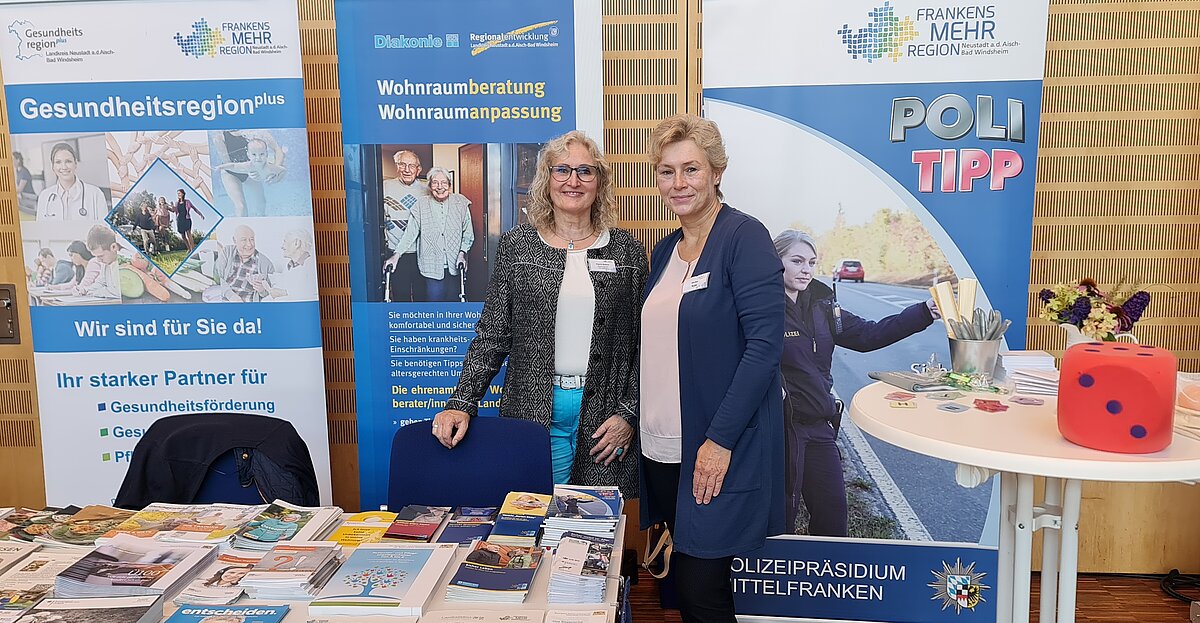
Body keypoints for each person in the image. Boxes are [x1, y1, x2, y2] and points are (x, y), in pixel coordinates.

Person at [431, 131, 647, 498]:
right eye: (562, 170)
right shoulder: (519, 246)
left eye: (585, 171)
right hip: (533, 411)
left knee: (595, 527)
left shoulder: (627, 251)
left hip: (606, 414)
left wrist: (629, 412)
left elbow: (646, 344)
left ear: (600, 181)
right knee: (536, 515)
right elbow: (493, 334)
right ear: (546, 179)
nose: (573, 181)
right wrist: (462, 401)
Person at [639, 114, 784, 623]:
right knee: (680, 588)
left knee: (703, 592)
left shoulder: (744, 237)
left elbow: (765, 347)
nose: (678, 183)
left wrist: (719, 441)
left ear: (717, 171)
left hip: (716, 444)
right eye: (666, 171)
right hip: (661, 448)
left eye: (691, 169)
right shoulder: (663, 253)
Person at [773, 229, 939, 536]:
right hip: (781, 430)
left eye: (811, 262)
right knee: (780, 519)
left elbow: (868, 335)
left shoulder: (823, 307)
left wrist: (923, 313)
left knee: (833, 517)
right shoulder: (762, 308)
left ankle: (824, 578)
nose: (806, 269)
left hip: (819, 427)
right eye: (796, 261)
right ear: (776, 261)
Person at [383, 167, 474, 301]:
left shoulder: (461, 202)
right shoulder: (421, 204)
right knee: (434, 306)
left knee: (454, 305)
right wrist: (396, 256)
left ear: (449, 185)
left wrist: (462, 253)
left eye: (444, 182)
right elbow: (410, 233)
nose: (439, 187)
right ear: (430, 186)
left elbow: (468, 233)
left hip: (456, 266)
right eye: (435, 182)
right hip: (431, 267)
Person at [381, 150, 429, 301]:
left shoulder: (427, 190)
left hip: (420, 253)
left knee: (422, 295)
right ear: (397, 166)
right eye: (402, 164)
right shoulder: (384, 187)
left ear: (418, 169)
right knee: (400, 296)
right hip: (395, 251)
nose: (407, 170)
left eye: (411, 166)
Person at [214, 130, 287, 217]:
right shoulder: (219, 135)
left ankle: (261, 224)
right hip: (231, 172)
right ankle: (241, 227)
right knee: (240, 206)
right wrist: (250, 170)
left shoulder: (256, 132)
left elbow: (278, 150)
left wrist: (274, 172)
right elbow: (229, 164)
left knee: (261, 203)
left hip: (252, 169)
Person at [35, 143, 108, 221]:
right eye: (58, 162)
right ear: (53, 166)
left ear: (75, 163)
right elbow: (41, 230)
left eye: (68, 161)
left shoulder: (95, 194)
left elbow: (105, 230)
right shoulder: (44, 196)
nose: (64, 167)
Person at [215, 224, 275, 302]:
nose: (249, 244)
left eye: (252, 239)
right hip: (223, 300)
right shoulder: (227, 251)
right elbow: (218, 278)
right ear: (234, 240)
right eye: (244, 240)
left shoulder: (266, 263)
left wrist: (262, 290)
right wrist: (231, 296)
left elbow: (271, 292)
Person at [265, 229, 318, 301]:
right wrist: (265, 278)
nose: (282, 246)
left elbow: (313, 294)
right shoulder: (290, 265)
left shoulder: (312, 266)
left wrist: (284, 293)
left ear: (296, 243)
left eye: (285, 242)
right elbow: (285, 283)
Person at [75, 225, 121, 299]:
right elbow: (100, 282)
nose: (99, 260)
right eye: (96, 256)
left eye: (101, 256)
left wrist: (98, 292)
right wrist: (85, 290)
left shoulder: (126, 261)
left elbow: (120, 291)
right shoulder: (106, 263)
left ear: (113, 247)